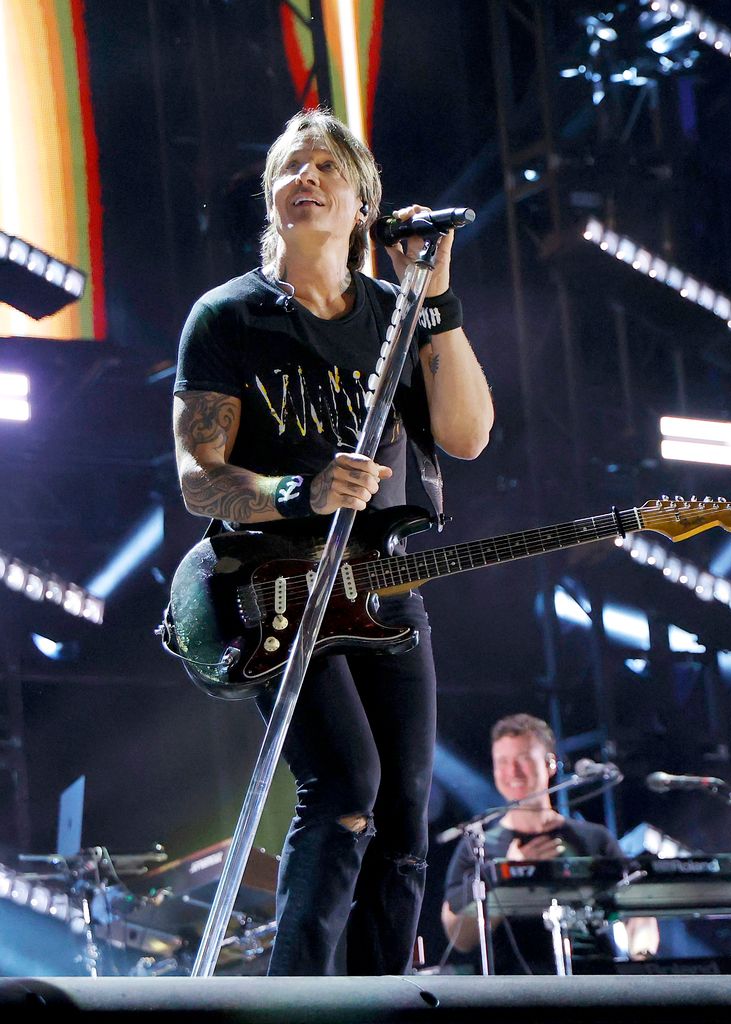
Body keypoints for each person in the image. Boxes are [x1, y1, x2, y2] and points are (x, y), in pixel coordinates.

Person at [172, 107, 494, 976]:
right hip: (273, 583)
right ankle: (300, 999)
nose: (305, 178)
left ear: (364, 204)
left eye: (326, 167)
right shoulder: (228, 316)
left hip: (382, 582)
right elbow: (199, 477)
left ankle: (381, 993)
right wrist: (298, 490)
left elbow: (467, 435)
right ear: (272, 200)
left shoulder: (397, 314)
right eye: (290, 167)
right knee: (346, 784)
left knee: (407, 809)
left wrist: (436, 297)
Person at [441, 713, 659, 973]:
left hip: (594, 984)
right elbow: (459, 938)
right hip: (511, 989)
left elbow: (637, 907)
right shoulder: (478, 844)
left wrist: (642, 962)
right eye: (502, 762)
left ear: (550, 764)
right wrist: (508, 875)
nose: (513, 772)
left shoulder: (594, 838)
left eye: (523, 759)